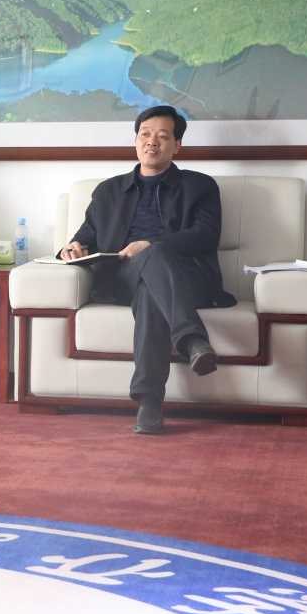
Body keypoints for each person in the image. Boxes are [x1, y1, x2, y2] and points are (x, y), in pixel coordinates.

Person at [59, 105, 235, 434]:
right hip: (123, 277)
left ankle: (149, 403)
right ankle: (193, 341)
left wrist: (152, 243)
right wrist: (72, 246)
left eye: (163, 136)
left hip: (188, 279)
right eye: (145, 134)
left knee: (153, 281)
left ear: (177, 145)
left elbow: (206, 235)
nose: (152, 141)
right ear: (136, 140)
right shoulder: (108, 191)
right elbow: (86, 236)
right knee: (150, 266)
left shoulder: (200, 186)